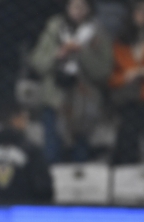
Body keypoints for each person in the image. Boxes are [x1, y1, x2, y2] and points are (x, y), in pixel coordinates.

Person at [30, 0, 113, 163]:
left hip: (84, 101)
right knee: (51, 152)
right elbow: (37, 62)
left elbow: (104, 71)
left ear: (90, 9)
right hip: (55, 97)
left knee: (80, 154)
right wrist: (57, 55)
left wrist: (83, 53)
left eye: (83, 7)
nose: (78, 11)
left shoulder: (99, 33)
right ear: (67, 8)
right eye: (74, 6)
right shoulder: (53, 29)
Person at [109, 0, 144, 164]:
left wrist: (140, 72)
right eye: (140, 12)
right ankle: (126, 162)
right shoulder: (121, 42)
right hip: (128, 94)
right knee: (130, 119)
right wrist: (127, 76)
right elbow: (112, 76)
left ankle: (124, 160)